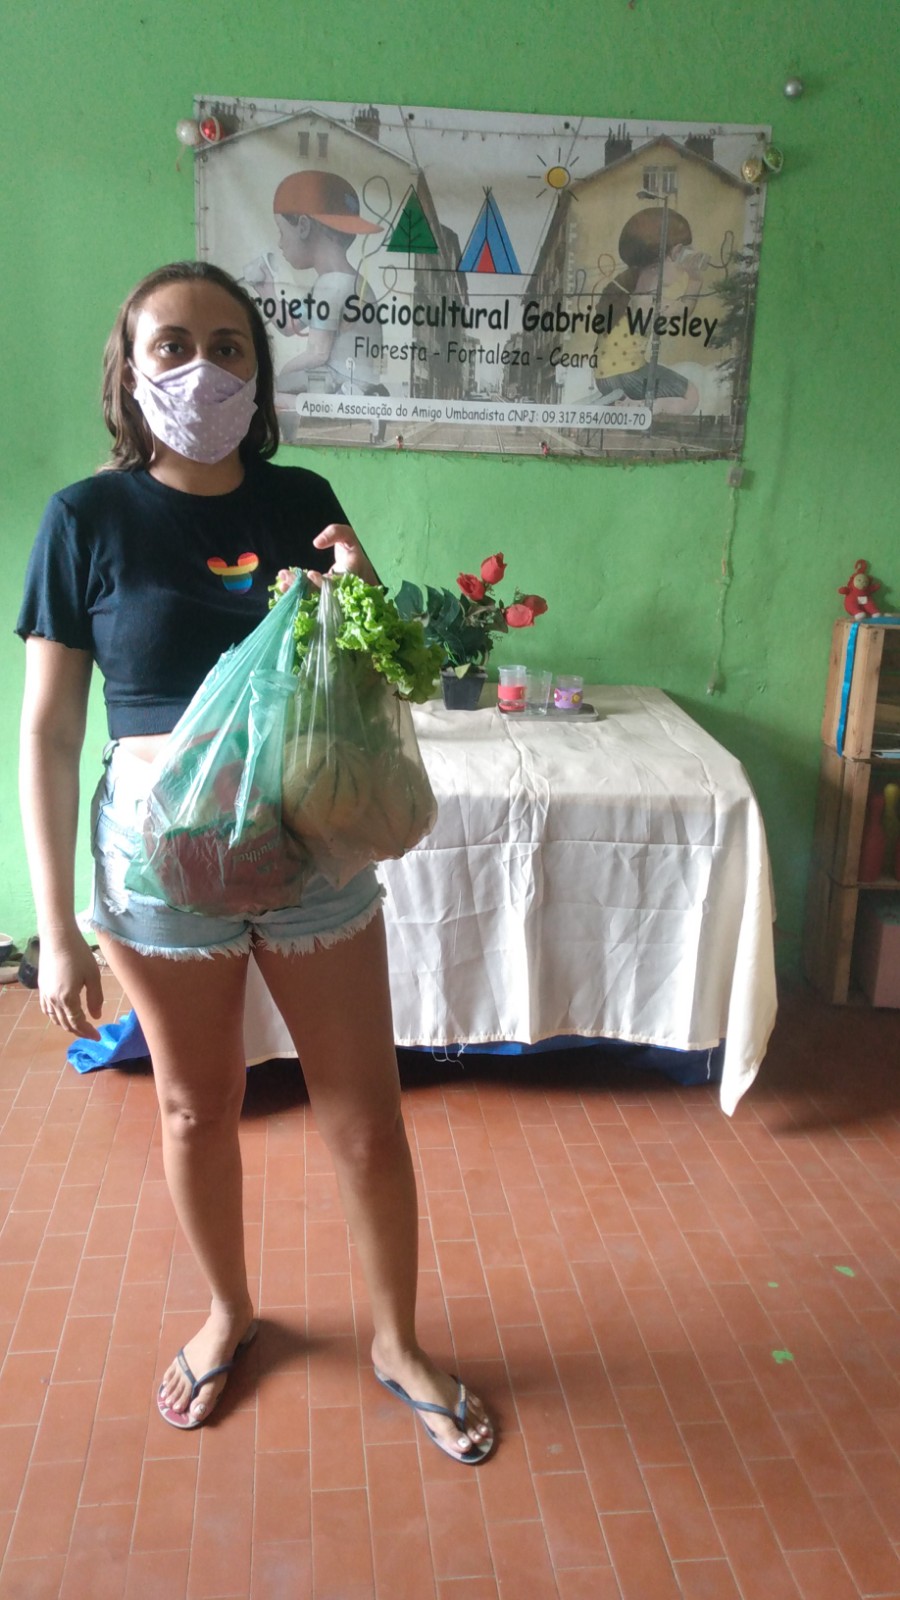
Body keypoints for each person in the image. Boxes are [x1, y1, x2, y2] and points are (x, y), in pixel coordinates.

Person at [16, 260, 494, 1463]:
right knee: (195, 1108)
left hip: (312, 846)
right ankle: (229, 1312)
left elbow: (374, 683)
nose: (203, 368)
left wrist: (366, 600)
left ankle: (397, 1340)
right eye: (172, 345)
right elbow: (51, 732)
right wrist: (56, 925)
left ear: (260, 371)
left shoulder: (303, 498)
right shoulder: (84, 521)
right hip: (160, 863)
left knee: (366, 1116)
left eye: (229, 346)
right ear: (130, 371)